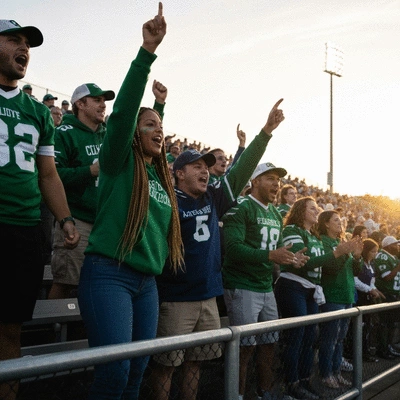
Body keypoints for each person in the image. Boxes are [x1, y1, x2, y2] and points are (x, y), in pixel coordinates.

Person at [77, 4, 183, 399]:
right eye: (150, 126)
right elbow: (123, 116)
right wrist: (146, 53)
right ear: (133, 135)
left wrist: (159, 109)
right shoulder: (118, 160)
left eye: (162, 126)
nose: (159, 131)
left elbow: (148, 125)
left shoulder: (160, 176)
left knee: (137, 371)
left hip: (146, 283)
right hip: (109, 274)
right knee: (115, 373)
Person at [150, 102, 286, 399]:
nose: (205, 171)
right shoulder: (166, 201)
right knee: (166, 370)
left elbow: (242, 170)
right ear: (179, 173)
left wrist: (265, 133)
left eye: (206, 167)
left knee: (196, 364)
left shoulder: (214, 197)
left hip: (209, 297)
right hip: (175, 299)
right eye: (197, 166)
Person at [0, 19, 80, 400]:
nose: (24, 49)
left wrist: (64, 218)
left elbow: (48, 175)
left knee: (10, 328)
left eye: (28, 44)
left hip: (23, 230)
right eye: (14, 40)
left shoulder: (37, 112)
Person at [222, 163, 309, 400]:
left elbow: (276, 250)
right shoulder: (241, 207)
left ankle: (264, 393)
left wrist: (291, 259)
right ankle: (236, 395)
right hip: (242, 286)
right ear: (255, 181)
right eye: (270, 178)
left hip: (265, 287)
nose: (276, 184)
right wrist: (271, 256)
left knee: (269, 345)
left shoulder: (273, 213)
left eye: (278, 180)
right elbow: (232, 249)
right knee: (245, 348)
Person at [274, 197, 358, 400]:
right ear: (300, 211)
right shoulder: (292, 230)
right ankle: (291, 384)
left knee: (310, 339)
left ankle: (304, 381)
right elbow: (303, 262)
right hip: (293, 285)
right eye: (312, 208)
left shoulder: (315, 236)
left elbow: (320, 263)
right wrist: (337, 253)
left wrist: (341, 254)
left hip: (310, 290)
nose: (316, 210)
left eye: (317, 207)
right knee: (297, 338)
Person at [47, 82, 115, 299]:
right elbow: (51, 176)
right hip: (75, 220)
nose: (103, 105)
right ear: (80, 104)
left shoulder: (108, 135)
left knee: (101, 284)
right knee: (66, 282)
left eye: (104, 101)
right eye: (97, 100)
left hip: (104, 224)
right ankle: (48, 331)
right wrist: (89, 171)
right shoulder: (64, 133)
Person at [317, 210, 363, 389]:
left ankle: (336, 372)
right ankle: (325, 374)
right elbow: (331, 267)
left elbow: (355, 270)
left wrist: (357, 255)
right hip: (333, 295)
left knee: (340, 339)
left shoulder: (341, 242)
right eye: (336, 220)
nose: (340, 222)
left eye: (340, 220)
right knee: (329, 338)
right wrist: (345, 252)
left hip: (347, 295)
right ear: (326, 223)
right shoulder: (324, 241)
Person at [355, 238, 385, 362]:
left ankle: (365, 352)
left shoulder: (371, 264)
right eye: (373, 251)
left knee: (367, 326)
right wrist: (369, 289)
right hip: (359, 298)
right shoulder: (360, 262)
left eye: (376, 251)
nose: (375, 254)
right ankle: (356, 353)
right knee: (359, 327)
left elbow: (371, 281)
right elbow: (355, 280)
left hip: (368, 298)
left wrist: (375, 290)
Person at [374, 235, 400, 359]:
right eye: (395, 244)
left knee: (392, 323)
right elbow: (387, 277)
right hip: (386, 294)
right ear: (389, 246)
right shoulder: (383, 256)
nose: (397, 246)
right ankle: (383, 349)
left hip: (395, 294)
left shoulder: (394, 257)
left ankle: (389, 346)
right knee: (385, 324)